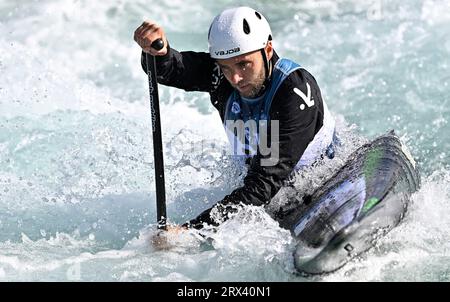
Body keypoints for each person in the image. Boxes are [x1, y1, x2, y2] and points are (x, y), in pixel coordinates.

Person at [134, 7, 336, 232]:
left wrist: (191, 231)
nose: (235, 78)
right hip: (260, 188)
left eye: (243, 64)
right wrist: (159, 54)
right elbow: (172, 70)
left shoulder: (294, 91)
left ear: (268, 50)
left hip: (321, 181)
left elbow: (263, 185)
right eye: (225, 68)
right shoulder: (221, 76)